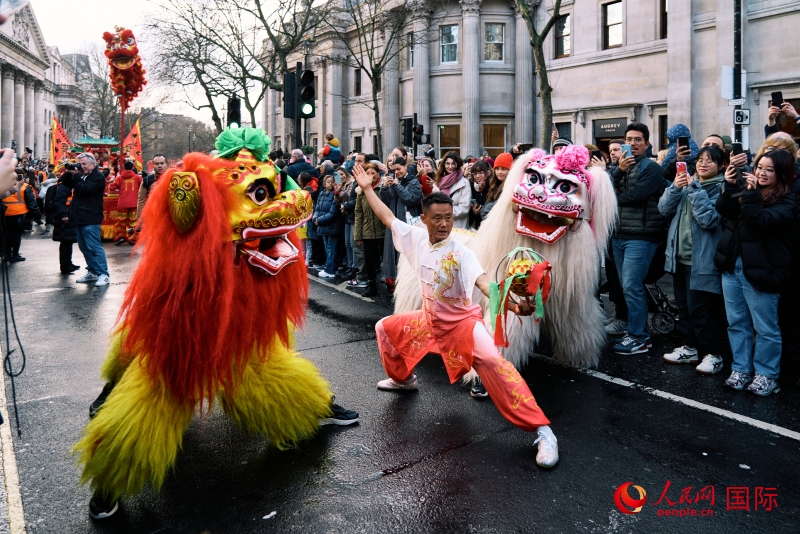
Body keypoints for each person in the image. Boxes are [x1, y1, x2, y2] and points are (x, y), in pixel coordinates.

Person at [352, 164, 559, 468]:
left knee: (492, 363)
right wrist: (368, 188)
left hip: (464, 328)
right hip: (430, 323)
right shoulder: (413, 237)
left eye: (449, 218)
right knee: (385, 327)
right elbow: (385, 216)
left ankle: (544, 432)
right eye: (437, 218)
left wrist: (515, 307)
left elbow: (487, 285)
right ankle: (403, 379)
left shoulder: (461, 253)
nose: (444, 224)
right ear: (423, 220)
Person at [715, 149, 796, 396]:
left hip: (763, 271)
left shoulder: (787, 200)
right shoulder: (747, 189)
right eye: (760, 166)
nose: (761, 172)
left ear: (781, 173)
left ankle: (767, 375)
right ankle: (741, 369)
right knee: (737, 323)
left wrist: (749, 194)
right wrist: (729, 186)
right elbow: (724, 210)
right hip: (733, 265)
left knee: (765, 327)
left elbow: (759, 220)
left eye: (769, 169)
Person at [658, 146, 727, 374]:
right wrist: (675, 188)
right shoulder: (687, 186)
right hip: (680, 258)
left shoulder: (721, 189)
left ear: (722, 165)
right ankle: (690, 348)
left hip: (703, 261)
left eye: (710, 161)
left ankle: (713, 354)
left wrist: (694, 188)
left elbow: (708, 220)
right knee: (685, 308)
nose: (703, 164)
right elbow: (663, 209)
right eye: (700, 160)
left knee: (703, 311)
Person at [609, 123, 667, 354]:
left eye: (638, 140)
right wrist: (619, 171)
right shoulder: (620, 166)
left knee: (632, 285)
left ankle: (640, 337)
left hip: (642, 236)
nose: (633, 143)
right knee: (627, 286)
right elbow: (603, 188)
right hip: (619, 235)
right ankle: (636, 331)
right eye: (629, 139)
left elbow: (637, 195)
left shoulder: (651, 168)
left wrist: (614, 197)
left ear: (647, 143)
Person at [67, 153, 110, 287]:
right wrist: (69, 171)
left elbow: (84, 189)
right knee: (84, 247)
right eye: (80, 164)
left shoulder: (97, 177)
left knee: (94, 247)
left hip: (91, 217)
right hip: (79, 216)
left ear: (93, 164)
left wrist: (76, 176)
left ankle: (103, 274)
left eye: (84, 164)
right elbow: (65, 183)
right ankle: (92, 271)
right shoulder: (80, 175)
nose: (82, 167)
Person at [380, 157, 422, 291]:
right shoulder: (393, 181)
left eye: (399, 169)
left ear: (406, 167)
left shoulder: (414, 181)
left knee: (405, 254)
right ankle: (392, 282)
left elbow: (411, 199)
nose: (396, 172)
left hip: (407, 224)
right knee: (391, 252)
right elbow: (384, 201)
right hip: (393, 222)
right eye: (394, 170)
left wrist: (397, 185)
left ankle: (406, 284)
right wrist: (385, 187)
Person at [353, 162, 385, 297]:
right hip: (367, 230)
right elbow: (358, 213)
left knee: (383, 259)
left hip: (383, 230)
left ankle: (389, 284)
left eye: (373, 173)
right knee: (369, 260)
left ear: (378, 174)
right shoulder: (361, 191)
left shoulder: (383, 188)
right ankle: (371, 286)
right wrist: (358, 235)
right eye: (368, 173)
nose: (370, 176)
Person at [2, 173, 41, 261]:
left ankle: (7, 254)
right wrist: (37, 215)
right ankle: (15, 254)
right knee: (16, 235)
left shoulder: (2, 186)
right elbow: (31, 202)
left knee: (7, 235)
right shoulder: (24, 186)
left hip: (5, 213)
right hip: (19, 213)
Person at [51, 171, 79, 274]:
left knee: (68, 241)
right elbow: (59, 202)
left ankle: (68, 263)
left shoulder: (67, 186)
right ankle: (65, 265)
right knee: (66, 242)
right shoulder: (64, 187)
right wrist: (63, 215)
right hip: (65, 217)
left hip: (68, 216)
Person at [313, 175, 340, 279]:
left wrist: (319, 220)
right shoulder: (322, 193)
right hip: (322, 225)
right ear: (324, 184)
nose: (330, 183)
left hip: (331, 226)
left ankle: (331, 270)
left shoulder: (334, 194)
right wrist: (315, 218)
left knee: (331, 248)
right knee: (327, 247)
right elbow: (317, 209)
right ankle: (328, 266)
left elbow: (333, 212)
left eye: (332, 181)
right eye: (328, 181)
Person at [433, 151, 470, 229]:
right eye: (447, 163)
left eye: (453, 163)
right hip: (440, 225)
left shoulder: (464, 183)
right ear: (444, 164)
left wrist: (445, 211)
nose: (450, 166)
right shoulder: (438, 182)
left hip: (457, 227)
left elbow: (465, 208)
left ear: (458, 164)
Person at [109, 161, 142, 245]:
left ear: (124, 167)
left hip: (123, 203)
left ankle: (120, 237)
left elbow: (112, 188)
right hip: (134, 203)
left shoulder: (119, 178)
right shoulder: (138, 177)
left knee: (121, 221)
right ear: (133, 167)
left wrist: (110, 182)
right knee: (133, 221)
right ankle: (133, 239)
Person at [480, 152, 513, 220]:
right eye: (497, 169)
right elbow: (486, 204)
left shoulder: (511, 187)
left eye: (503, 169)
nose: (499, 172)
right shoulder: (494, 184)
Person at [137, 154, 168, 223]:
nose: (159, 166)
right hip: (152, 218)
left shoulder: (173, 179)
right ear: (153, 165)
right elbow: (141, 201)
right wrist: (140, 221)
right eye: (157, 164)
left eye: (162, 163)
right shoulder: (147, 180)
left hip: (168, 218)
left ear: (166, 164)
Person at [469, 160, 490, 229]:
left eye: (481, 172)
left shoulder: (492, 187)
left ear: (488, 172)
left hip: (490, 225)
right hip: (477, 226)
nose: (477, 176)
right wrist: (474, 212)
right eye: (474, 173)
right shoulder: (471, 187)